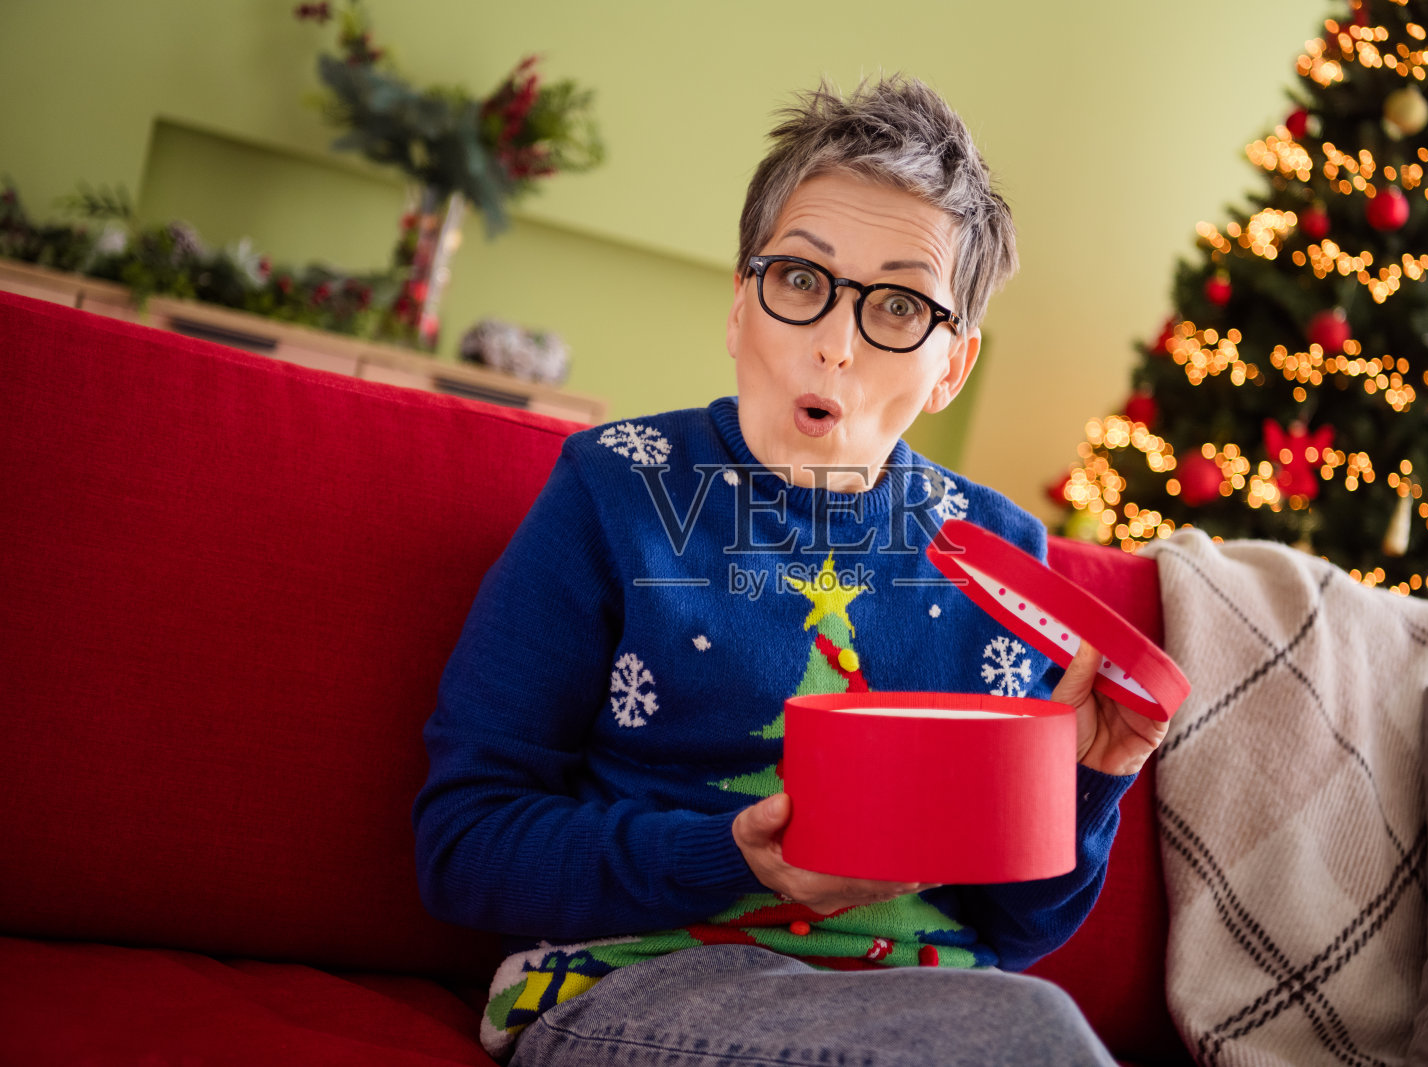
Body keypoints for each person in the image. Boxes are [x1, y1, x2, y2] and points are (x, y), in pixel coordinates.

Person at [413, 74, 1168, 1067]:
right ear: (739, 306)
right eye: (803, 281)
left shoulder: (1000, 555)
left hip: (933, 1001)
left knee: (1035, 1028)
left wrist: (1089, 781)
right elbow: (462, 845)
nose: (836, 341)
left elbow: (1016, 923)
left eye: (898, 304)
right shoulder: (612, 490)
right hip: (634, 983)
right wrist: (728, 856)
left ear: (952, 365)